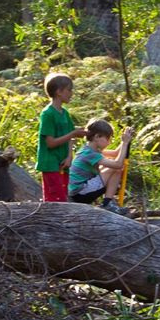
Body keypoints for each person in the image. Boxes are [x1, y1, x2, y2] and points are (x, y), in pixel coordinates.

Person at [36, 73, 86, 203]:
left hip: (63, 163)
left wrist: (69, 156)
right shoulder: (47, 114)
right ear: (59, 92)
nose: (71, 93)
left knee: (63, 196)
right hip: (50, 164)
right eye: (69, 90)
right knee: (55, 199)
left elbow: (70, 137)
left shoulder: (65, 113)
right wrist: (73, 134)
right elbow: (50, 143)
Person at [68, 119, 133, 215]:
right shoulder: (90, 154)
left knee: (116, 169)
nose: (109, 142)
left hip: (79, 192)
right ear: (97, 137)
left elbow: (115, 153)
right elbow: (118, 164)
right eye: (108, 139)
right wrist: (125, 143)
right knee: (116, 168)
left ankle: (108, 202)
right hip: (79, 194)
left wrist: (125, 139)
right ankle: (107, 203)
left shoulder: (89, 149)